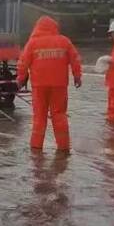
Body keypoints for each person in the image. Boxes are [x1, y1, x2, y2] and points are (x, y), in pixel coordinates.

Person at [17, 16, 82, 152]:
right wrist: (77, 76)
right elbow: (75, 59)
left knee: (39, 116)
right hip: (59, 85)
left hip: (39, 85)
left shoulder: (32, 43)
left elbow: (23, 63)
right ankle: (63, 147)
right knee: (59, 115)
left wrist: (20, 80)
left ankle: (36, 147)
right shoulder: (64, 41)